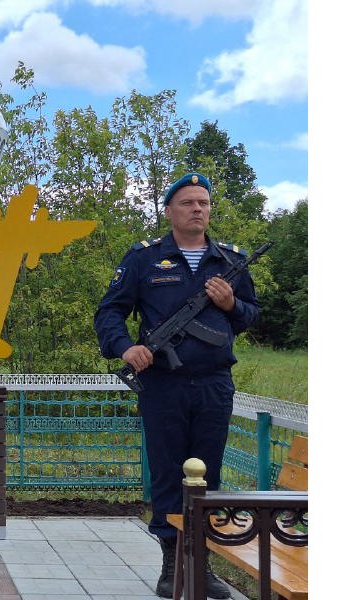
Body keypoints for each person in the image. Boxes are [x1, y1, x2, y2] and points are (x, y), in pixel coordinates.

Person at [93, 173, 259, 599]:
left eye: (203, 202)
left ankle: (202, 564)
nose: (197, 209)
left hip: (213, 384)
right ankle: (171, 562)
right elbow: (110, 312)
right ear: (169, 211)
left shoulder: (229, 261)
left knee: (210, 477)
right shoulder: (144, 259)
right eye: (187, 202)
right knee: (169, 473)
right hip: (162, 385)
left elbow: (251, 316)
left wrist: (230, 303)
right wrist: (126, 348)